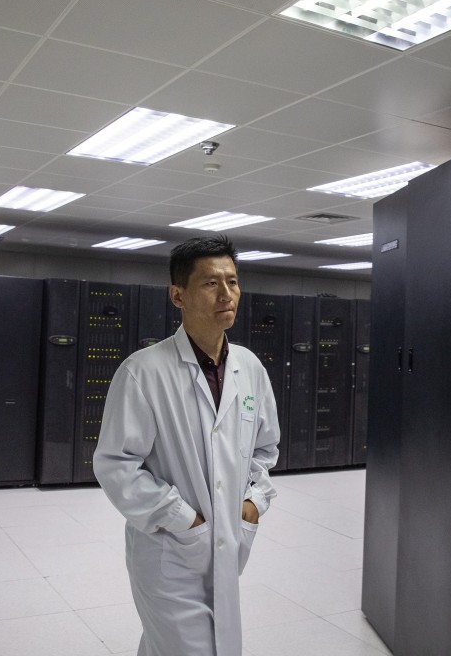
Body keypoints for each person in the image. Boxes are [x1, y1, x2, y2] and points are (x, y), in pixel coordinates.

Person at [93, 235, 280, 656]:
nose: (226, 294)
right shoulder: (143, 372)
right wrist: (183, 518)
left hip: (231, 541)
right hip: (169, 549)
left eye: (232, 282)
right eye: (211, 283)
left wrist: (253, 503)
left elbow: (266, 449)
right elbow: (116, 465)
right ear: (177, 295)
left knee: (173, 646)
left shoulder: (250, 368)